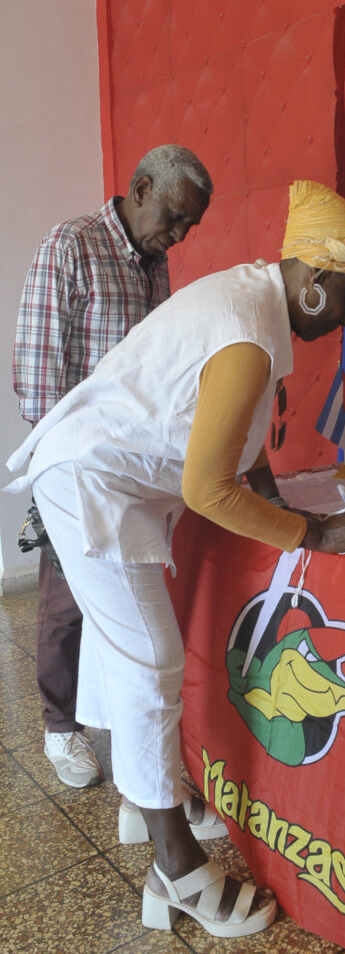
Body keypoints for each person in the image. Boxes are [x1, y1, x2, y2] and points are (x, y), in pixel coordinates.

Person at [6, 180, 345, 939]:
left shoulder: (255, 301)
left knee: (121, 650)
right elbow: (209, 487)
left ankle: (140, 803)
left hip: (99, 476)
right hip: (91, 482)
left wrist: (287, 508)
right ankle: (176, 870)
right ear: (313, 281)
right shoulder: (250, 331)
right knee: (148, 661)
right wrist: (310, 536)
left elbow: (240, 447)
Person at [12, 144, 213, 789]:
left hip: (131, 464)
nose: (178, 236)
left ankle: (108, 715)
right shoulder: (71, 246)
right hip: (75, 462)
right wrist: (60, 464)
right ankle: (59, 727)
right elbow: (39, 371)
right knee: (66, 599)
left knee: (120, 600)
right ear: (143, 186)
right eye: (175, 218)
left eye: (190, 227)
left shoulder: (156, 269)